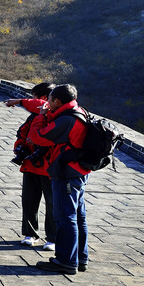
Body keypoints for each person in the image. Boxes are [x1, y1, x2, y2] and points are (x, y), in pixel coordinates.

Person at [27, 84, 90, 274]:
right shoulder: (79, 111)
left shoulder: (66, 121)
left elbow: (38, 136)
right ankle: (79, 258)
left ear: (57, 101)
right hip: (79, 172)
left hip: (66, 174)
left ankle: (66, 261)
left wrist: (40, 116)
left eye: (49, 99)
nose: (47, 102)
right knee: (78, 217)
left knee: (65, 218)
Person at [4, 83, 55, 251]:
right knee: (29, 201)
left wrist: (18, 101)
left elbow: (41, 106)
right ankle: (30, 233)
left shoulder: (55, 114)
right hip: (30, 164)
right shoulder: (34, 116)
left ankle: (53, 238)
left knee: (52, 204)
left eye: (35, 97)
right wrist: (20, 147)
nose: (33, 101)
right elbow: (22, 133)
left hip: (49, 167)